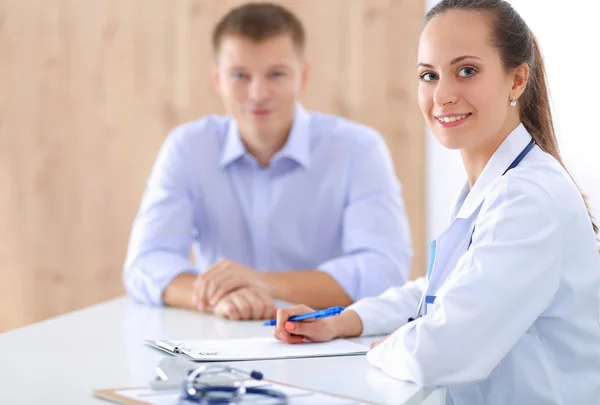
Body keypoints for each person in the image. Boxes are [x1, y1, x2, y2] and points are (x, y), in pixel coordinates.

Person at [274, 0, 600, 403]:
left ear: (516, 80)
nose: (442, 95)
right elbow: (439, 291)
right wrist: (346, 321)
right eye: (429, 75)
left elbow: (445, 350)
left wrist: (388, 349)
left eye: (467, 71)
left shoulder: (527, 198)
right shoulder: (494, 186)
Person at [122, 3, 412, 321]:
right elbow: (146, 263)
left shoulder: (358, 150)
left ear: (303, 76)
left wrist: (264, 283)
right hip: (220, 339)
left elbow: (383, 270)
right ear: (218, 80)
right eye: (240, 76)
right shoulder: (188, 148)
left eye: (276, 74)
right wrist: (223, 297)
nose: (258, 93)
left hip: (326, 338)